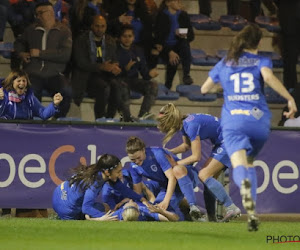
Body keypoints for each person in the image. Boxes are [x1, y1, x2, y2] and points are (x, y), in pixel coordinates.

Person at [200, 24, 297, 231]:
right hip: (258, 121)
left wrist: (223, 85)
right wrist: (290, 99)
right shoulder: (262, 60)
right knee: (250, 162)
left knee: (240, 165)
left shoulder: (226, 62)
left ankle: (248, 206)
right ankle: (252, 211)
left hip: (234, 121)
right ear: (259, 43)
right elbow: (269, 78)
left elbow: (204, 88)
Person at [157, 103, 241, 222]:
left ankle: (231, 207)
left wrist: (176, 164)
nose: (161, 126)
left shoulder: (190, 125)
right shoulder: (185, 123)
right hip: (225, 140)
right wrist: (169, 152)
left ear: (170, 120)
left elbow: (196, 156)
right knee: (209, 181)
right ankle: (212, 218)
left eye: (163, 122)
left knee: (203, 175)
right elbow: (186, 146)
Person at [126, 136, 205, 222]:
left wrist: (166, 201)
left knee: (177, 170)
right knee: (160, 210)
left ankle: (193, 206)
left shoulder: (157, 154)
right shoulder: (133, 167)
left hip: (187, 176)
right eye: (133, 159)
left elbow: (172, 178)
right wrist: (136, 204)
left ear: (143, 150)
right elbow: (137, 192)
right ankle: (194, 217)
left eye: (138, 158)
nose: (137, 161)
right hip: (168, 186)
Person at [14, 1, 72, 118]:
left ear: (51, 13)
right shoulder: (31, 30)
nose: (38, 16)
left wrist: (40, 53)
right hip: (33, 73)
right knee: (31, 93)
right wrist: (21, 53)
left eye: (41, 13)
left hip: (55, 73)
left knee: (67, 92)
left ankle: (58, 119)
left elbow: (65, 55)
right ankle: (35, 122)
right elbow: (19, 42)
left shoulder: (64, 31)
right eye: (36, 14)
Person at [52, 154, 151, 220]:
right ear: (107, 172)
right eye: (118, 172)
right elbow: (86, 208)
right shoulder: (95, 181)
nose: (121, 175)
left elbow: (123, 189)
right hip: (66, 209)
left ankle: (59, 216)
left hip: (57, 194)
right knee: (104, 212)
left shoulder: (99, 172)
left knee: (102, 207)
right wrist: (103, 217)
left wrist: (142, 199)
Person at [72, 15, 132, 121]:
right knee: (104, 87)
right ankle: (100, 119)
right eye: (97, 26)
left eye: (103, 26)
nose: (100, 29)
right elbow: (81, 63)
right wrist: (101, 66)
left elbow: (114, 59)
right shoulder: (81, 40)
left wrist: (115, 67)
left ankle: (109, 118)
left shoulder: (109, 40)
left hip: (106, 75)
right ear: (92, 26)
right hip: (87, 76)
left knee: (117, 86)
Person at [116, 25, 158, 120]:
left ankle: (143, 114)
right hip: (119, 80)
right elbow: (112, 73)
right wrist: (125, 69)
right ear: (120, 38)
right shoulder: (115, 50)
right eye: (124, 36)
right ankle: (127, 117)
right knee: (123, 87)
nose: (127, 39)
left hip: (133, 80)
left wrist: (149, 74)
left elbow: (144, 73)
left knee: (153, 85)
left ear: (133, 37)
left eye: (130, 36)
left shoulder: (138, 50)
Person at [152, 0, 194, 89]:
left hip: (178, 45)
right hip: (164, 46)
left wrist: (182, 32)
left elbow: (191, 35)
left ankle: (186, 75)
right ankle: (168, 85)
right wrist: (169, 52)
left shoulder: (183, 15)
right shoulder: (161, 15)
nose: (179, 3)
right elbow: (158, 38)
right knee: (174, 59)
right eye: (176, 1)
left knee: (185, 45)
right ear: (168, 3)